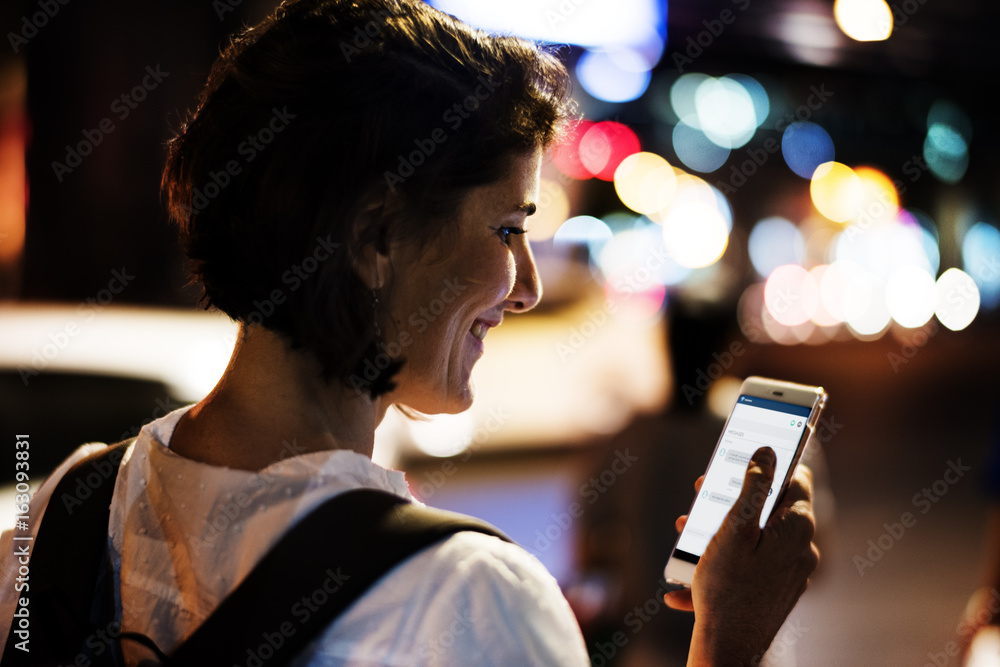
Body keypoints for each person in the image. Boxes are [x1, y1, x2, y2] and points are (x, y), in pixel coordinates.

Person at [0, 0, 819, 664]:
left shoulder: (58, 519)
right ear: (377, 239)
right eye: (507, 229)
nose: (527, 286)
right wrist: (729, 638)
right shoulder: (473, 597)